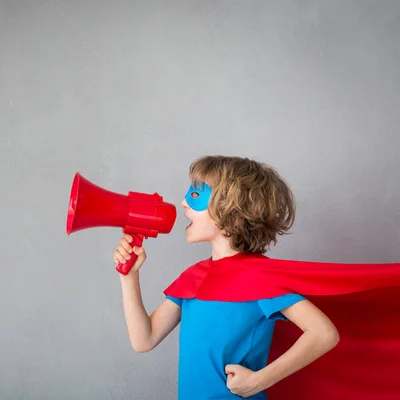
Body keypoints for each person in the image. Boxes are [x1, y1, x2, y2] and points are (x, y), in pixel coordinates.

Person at [113, 155, 340, 399]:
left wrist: (258, 381)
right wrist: (130, 277)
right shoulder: (194, 276)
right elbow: (143, 339)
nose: (183, 202)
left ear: (234, 217)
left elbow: (324, 334)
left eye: (196, 196)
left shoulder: (261, 277)